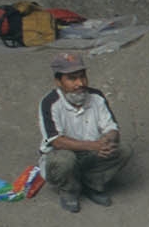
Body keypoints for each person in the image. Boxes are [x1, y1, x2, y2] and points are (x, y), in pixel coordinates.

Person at [39, 51, 133, 213]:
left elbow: (112, 128)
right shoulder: (50, 103)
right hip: (62, 155)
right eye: (72, 78)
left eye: (82, 76)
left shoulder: (96, 97)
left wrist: (108, 140)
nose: (80, 83)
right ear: (58, 82)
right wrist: (94, 146)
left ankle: (92, 184)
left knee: (123, 150)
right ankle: (69, 190)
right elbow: (57, 141)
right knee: (64, 159)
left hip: (90, 153)